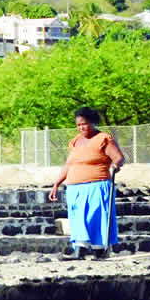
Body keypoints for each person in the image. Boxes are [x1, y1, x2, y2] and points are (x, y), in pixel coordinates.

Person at [48, 107, 125, 259]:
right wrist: (56, 184)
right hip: (75, 187)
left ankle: (99, 250)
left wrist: (116, 165)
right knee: (77, 218)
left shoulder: (103, 138)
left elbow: (119, 157)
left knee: (96, 217)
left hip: (97, 185)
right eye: (78, 125)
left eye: (85, 124)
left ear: (93, 122)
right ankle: (79, 250)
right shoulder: (75, 142)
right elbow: (69, 164)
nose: (82, 127)